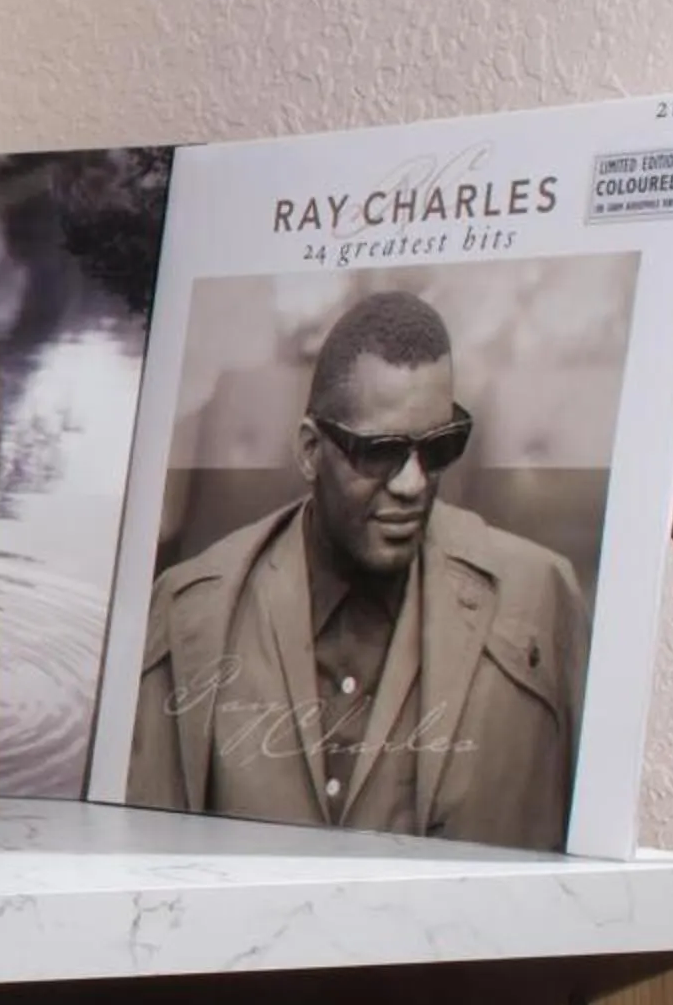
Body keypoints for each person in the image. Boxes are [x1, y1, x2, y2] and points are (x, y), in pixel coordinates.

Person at [125, 290, 590, 850]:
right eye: (378, 452)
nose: (412, 483)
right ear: (309, 451)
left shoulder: (537, 599)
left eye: (438, 447)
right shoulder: (190, 613)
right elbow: (144, 872)